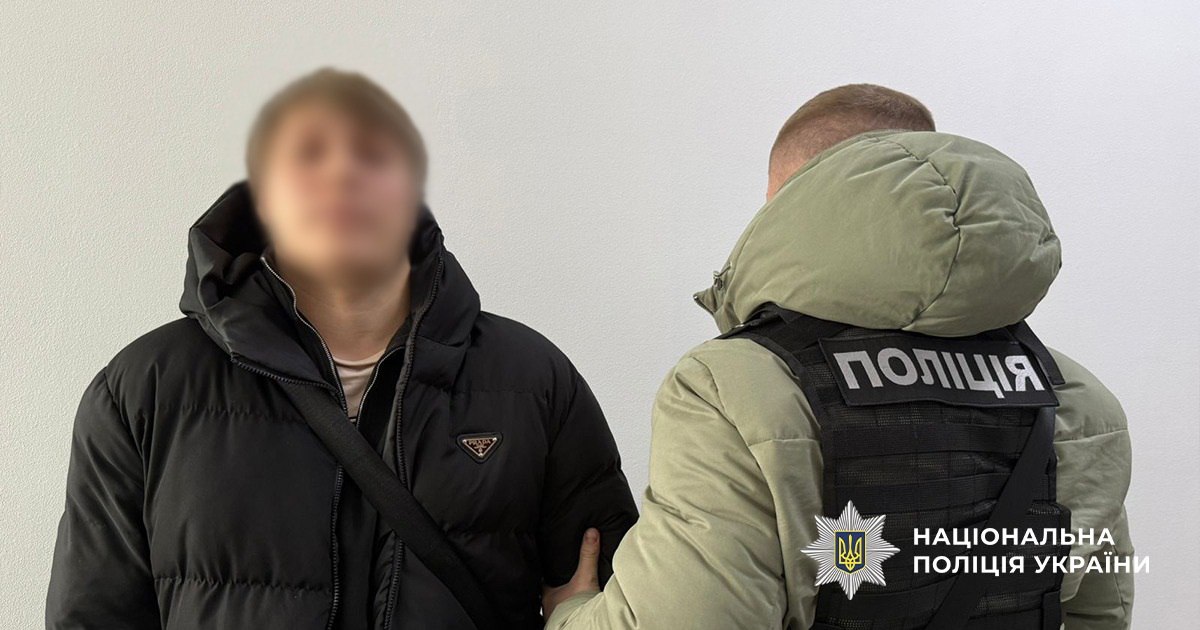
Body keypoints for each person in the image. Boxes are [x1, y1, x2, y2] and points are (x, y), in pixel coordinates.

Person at [45, 67, 638, 629]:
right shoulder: (143, 390)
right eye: (308, 153)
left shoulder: (533, 380)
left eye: (374, 155)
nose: (342, 173)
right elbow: (93, 615)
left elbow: (624, 602)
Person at [544, 84, 1135, 629]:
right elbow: (1099, 613)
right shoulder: (1075, 396)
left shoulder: (733, 386)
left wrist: (569, 611)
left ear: (795, 205)